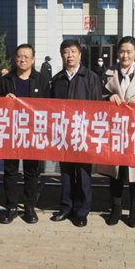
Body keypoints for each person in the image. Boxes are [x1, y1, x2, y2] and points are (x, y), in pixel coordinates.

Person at [99, 36, 135, 228]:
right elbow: (98, 96)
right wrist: (108, 97)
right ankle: (115, 209)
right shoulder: (108, 72)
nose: (125, 55)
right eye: (122, 51)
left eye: (129, 52)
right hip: (115, 130)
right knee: (115, 173)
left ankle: (134, 210)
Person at [0, 44, 51, 224]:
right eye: (20, 56)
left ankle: (29, 207)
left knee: (31, 171)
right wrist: (3, 101)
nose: (23, 60)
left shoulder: (41, 80)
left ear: (33, 59)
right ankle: (11, 207)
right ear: (15, 58)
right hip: (10, 132)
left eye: (27, 57)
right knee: (10, 171)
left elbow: (50, 106)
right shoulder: (6, 80)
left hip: (33, 132)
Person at [50, 39, 103, 227]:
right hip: (64, 135)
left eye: (73, 51)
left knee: (83, 175)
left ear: (80, 55)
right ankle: (66, 208)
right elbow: (50, 108)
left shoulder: (90, 77)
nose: (70, 55)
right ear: (61, 55)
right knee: (65, 173)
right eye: (66, 52)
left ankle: (81, 212)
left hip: (84, 135)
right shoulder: (57, 79)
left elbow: (97, 108)